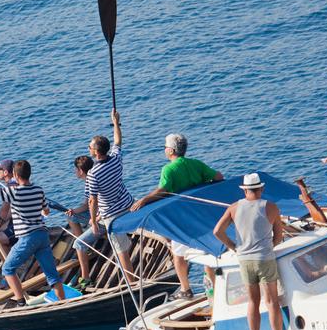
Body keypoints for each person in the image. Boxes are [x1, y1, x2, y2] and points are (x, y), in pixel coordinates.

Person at [131, 133, 224, 300]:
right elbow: (218, 177)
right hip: (202, 217)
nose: (164, 150)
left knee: (178, 254)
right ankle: (213, 287)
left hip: (182, 220)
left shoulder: (169, 169)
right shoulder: (196, 164)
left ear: (171, 150)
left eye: (165, 147)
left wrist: (144, 200)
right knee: (207, 252)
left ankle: (186, 289)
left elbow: (163, 189)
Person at [0, 160, 67, 305]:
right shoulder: (39, 189)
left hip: (28, 238)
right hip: (42, 236)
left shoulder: (14, 192)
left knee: (8, 269)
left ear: (16, 176)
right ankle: (62, 302)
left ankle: (20, 302)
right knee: (52, 275)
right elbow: (46, 211)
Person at [214, 173, 285, 330]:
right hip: (264, 258)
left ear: (245, 190)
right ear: (261, 188)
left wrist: (234, 247)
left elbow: (217, 231)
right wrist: (269, 246)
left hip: (244, 260)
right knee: (272, 302)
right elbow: (278, 236)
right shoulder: (271, 207)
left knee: (253, 302)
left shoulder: (234, 208)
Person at [75, 107, 135, 288]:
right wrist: (116, 123)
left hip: (112, 215)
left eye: (90, 147)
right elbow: (118, 140)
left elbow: (92, 201)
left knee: (121, 252)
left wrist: (93, 222)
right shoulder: (116, 158)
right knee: (124, 245)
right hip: (128, 204)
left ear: (96, 152)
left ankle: (131, 283)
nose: (89, 148)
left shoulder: (93, 173)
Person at [63, 155, 93, 238]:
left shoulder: (89, 183)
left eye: (76, 169)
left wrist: (73, 211)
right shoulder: (94, 178)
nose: (74, 171)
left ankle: (81, 240)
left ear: (81, 171)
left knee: (70, 217)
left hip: (98, 216)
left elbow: (86, 206)